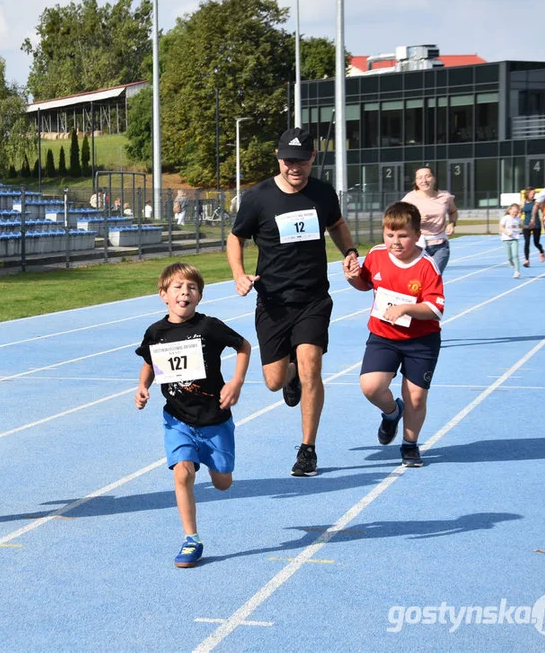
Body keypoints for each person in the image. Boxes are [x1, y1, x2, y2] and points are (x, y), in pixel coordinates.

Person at [227, 127, 360, 477]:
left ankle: (308, 449)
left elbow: (338, 224)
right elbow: (235, 238)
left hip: (313, 297)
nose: (295, 168)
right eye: (289, 161)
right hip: (272, 301)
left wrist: (349, 252)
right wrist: (239, 274)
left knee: (310, 364)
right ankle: (290, 379)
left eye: (301, 161)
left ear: (312, 158)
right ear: (278, 157)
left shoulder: (322, 193)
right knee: (273, 380)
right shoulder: (257, 198)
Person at [134, 262, 251, 568]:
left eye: (192, 288)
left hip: (215, 418)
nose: (185, 292)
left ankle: (215, 466)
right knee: (182, 470)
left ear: (199, 296)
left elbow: (244, 346)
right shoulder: (156, 332)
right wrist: (142, 386)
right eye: (177, 287)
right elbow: (149, 362)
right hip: (177, 418)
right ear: (163, 295)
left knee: (223, 482)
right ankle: (191, 539)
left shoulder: (209, 327)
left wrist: (236, 381)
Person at [343, 202, 444, 468]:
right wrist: (352, 277)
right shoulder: (376, 255)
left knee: (416, 397)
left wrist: (405, 308)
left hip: (421, 341)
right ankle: (391, 413)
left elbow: (434, 309)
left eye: (403, 236)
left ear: (417, 234)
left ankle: (410, 445)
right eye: (390, 235)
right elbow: (365, 283)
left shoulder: (427, 266)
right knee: (371, 387)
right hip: (383, 336)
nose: (395, 242)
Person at [401, 167, 457, 274]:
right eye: (420, 178)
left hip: (440, 246)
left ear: (434, 179)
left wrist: (452, 224)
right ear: (416, 182)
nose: (424, 180)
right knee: (416, 279)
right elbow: (400, 219)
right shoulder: (409, 198)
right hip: (417, 246)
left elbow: (453, 212)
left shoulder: (445, 196)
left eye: (427, 176)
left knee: (433, 276)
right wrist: (415, 220)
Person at [520, 187, 545, 268]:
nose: (534, 195)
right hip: (526, 225)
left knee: (536, 243)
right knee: (527, 242)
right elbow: (519, 214)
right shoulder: (523, 203)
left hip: (536, 225)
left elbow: (543, 211)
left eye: (534, 194)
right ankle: (526, 260)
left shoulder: (537, 203)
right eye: (532, 194)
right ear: (527, 194)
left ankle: (541, 251)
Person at [499, 203, 522, 278]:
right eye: (514, 211)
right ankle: (511, 262)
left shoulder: (518, 219)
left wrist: (526, 227)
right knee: (509, 256)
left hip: (515, 239)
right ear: (509, 210)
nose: (515, 213)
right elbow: (501, 228)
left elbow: (520, 226)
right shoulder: (505, 218)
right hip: (506, 239)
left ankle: (517, 271)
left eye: (516, 212)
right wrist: (507, 232)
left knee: (515, 255)